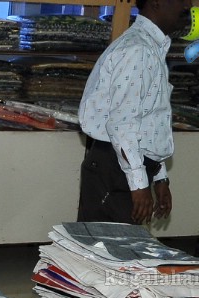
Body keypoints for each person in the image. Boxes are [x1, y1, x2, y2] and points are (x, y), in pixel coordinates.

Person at [77, 0, 190, 226]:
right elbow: (122, 124)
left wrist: (158, 176)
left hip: (127, 164)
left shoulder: (151, 48)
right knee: (107, 253)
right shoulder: (137, 50)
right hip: (116, 169)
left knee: (121, 252)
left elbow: (149, 120)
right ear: (157, 3)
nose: (188, 5)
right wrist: (138, 184)